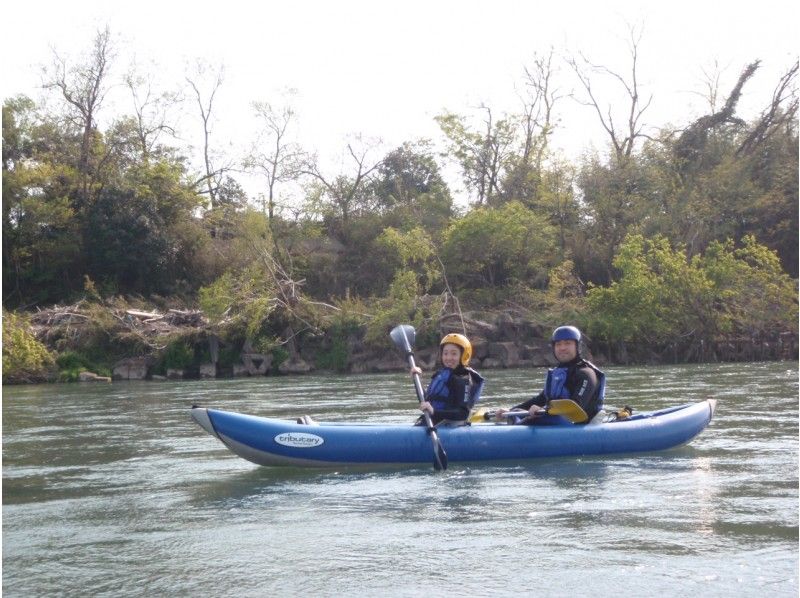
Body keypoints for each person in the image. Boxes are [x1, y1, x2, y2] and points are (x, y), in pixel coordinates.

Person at [495, 325, 605, 425]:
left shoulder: (586, 374)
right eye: (558, 344)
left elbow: (575, 408)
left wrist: (544, 410)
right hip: (556, 422)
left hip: (578, 426)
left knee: (536, 418)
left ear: (578, 347)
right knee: (516, 412)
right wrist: (510, 411)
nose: (562, 348)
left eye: (567, 343)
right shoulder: (558, 374)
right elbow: (541, 399)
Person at [411, 333, 485, 425]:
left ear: (464, 355)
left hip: (450, 425)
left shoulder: (462, 379)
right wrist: (417, 379)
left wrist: (434, 411)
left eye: (454, 354)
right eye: (445, 353)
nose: (449, 358)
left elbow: (463, 414)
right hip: (435, 422)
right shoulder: (440, 375)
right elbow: (425, 400)